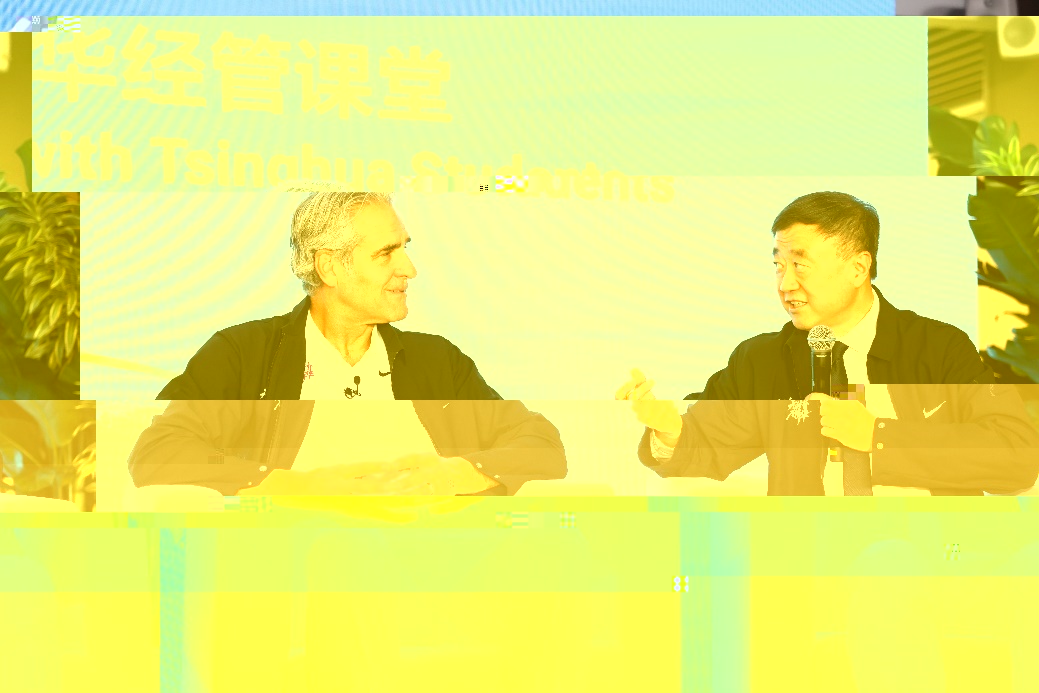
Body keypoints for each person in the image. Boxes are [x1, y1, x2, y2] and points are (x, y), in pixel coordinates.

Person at [129, 191, 566, 496]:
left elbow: (541, 443)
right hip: (291, 573)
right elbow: (158, 453)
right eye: (386, 253)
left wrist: (459, 474)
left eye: (405, 248)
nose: (409, 269)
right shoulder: (245, 353)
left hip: (427, 570)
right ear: (330, 267)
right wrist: (295, 487)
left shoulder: (436, 361)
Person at [616, 191, 1039, 495]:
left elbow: (1016, 454)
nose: (785, 284)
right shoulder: (763, 358)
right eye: (778, 265)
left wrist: (878, 436)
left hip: (931, 555)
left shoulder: (936, 346)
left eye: (800, 265)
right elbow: (706, 446)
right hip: (810, 559)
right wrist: (670, 431)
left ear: (858, 268)